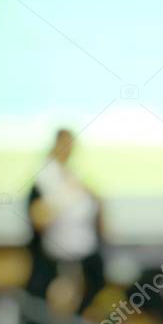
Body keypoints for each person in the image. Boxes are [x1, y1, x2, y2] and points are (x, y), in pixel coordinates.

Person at [25, 129, 105, 314]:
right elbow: (38, 218)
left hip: (84, 260)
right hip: (55, 263)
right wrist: (63, 196)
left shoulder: (73, 177)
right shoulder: (44, 180)